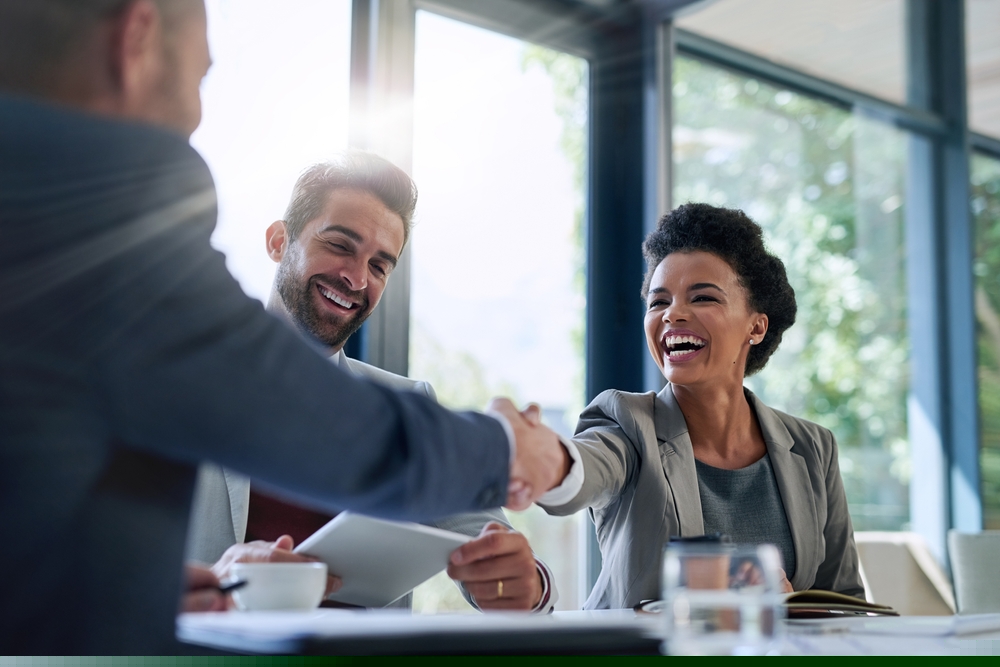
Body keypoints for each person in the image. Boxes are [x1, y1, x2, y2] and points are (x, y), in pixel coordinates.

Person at [0, 0, 568, 653]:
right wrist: (507, 447)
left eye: (380, 263)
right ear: (137, 37)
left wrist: (151, 590)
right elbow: (319, 422)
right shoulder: (109, 220)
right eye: (200, 78)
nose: (196, 114)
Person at [185, 157, 558, 613]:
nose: (357, 278)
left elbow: (491, 544)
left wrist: (526, 584)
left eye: (380, 266)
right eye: (340, 245)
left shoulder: (410, 405)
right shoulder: (182, 379)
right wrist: (217, 579)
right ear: (279, 242)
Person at [539, 203, 864, 609]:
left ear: (756, 326)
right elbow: (583, 470)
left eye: (703, 297)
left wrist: (789, 606)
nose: (673, 314)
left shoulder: (813, 446)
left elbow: (845, 603)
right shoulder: (626, 423)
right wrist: (542, 459)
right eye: (658, 302)